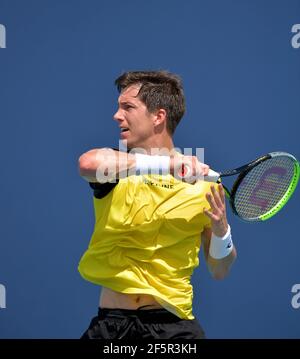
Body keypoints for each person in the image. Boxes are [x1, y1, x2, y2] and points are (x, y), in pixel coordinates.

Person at [78, 70, 237, 339]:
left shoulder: (206, 186)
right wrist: (168, 165)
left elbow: (219, 269)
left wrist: (222, 232)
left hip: (173, 329)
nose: (117, 116)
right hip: (110, 328)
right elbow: (88, 164)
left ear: (158, 116)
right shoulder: (117, 168)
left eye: (127, 107)